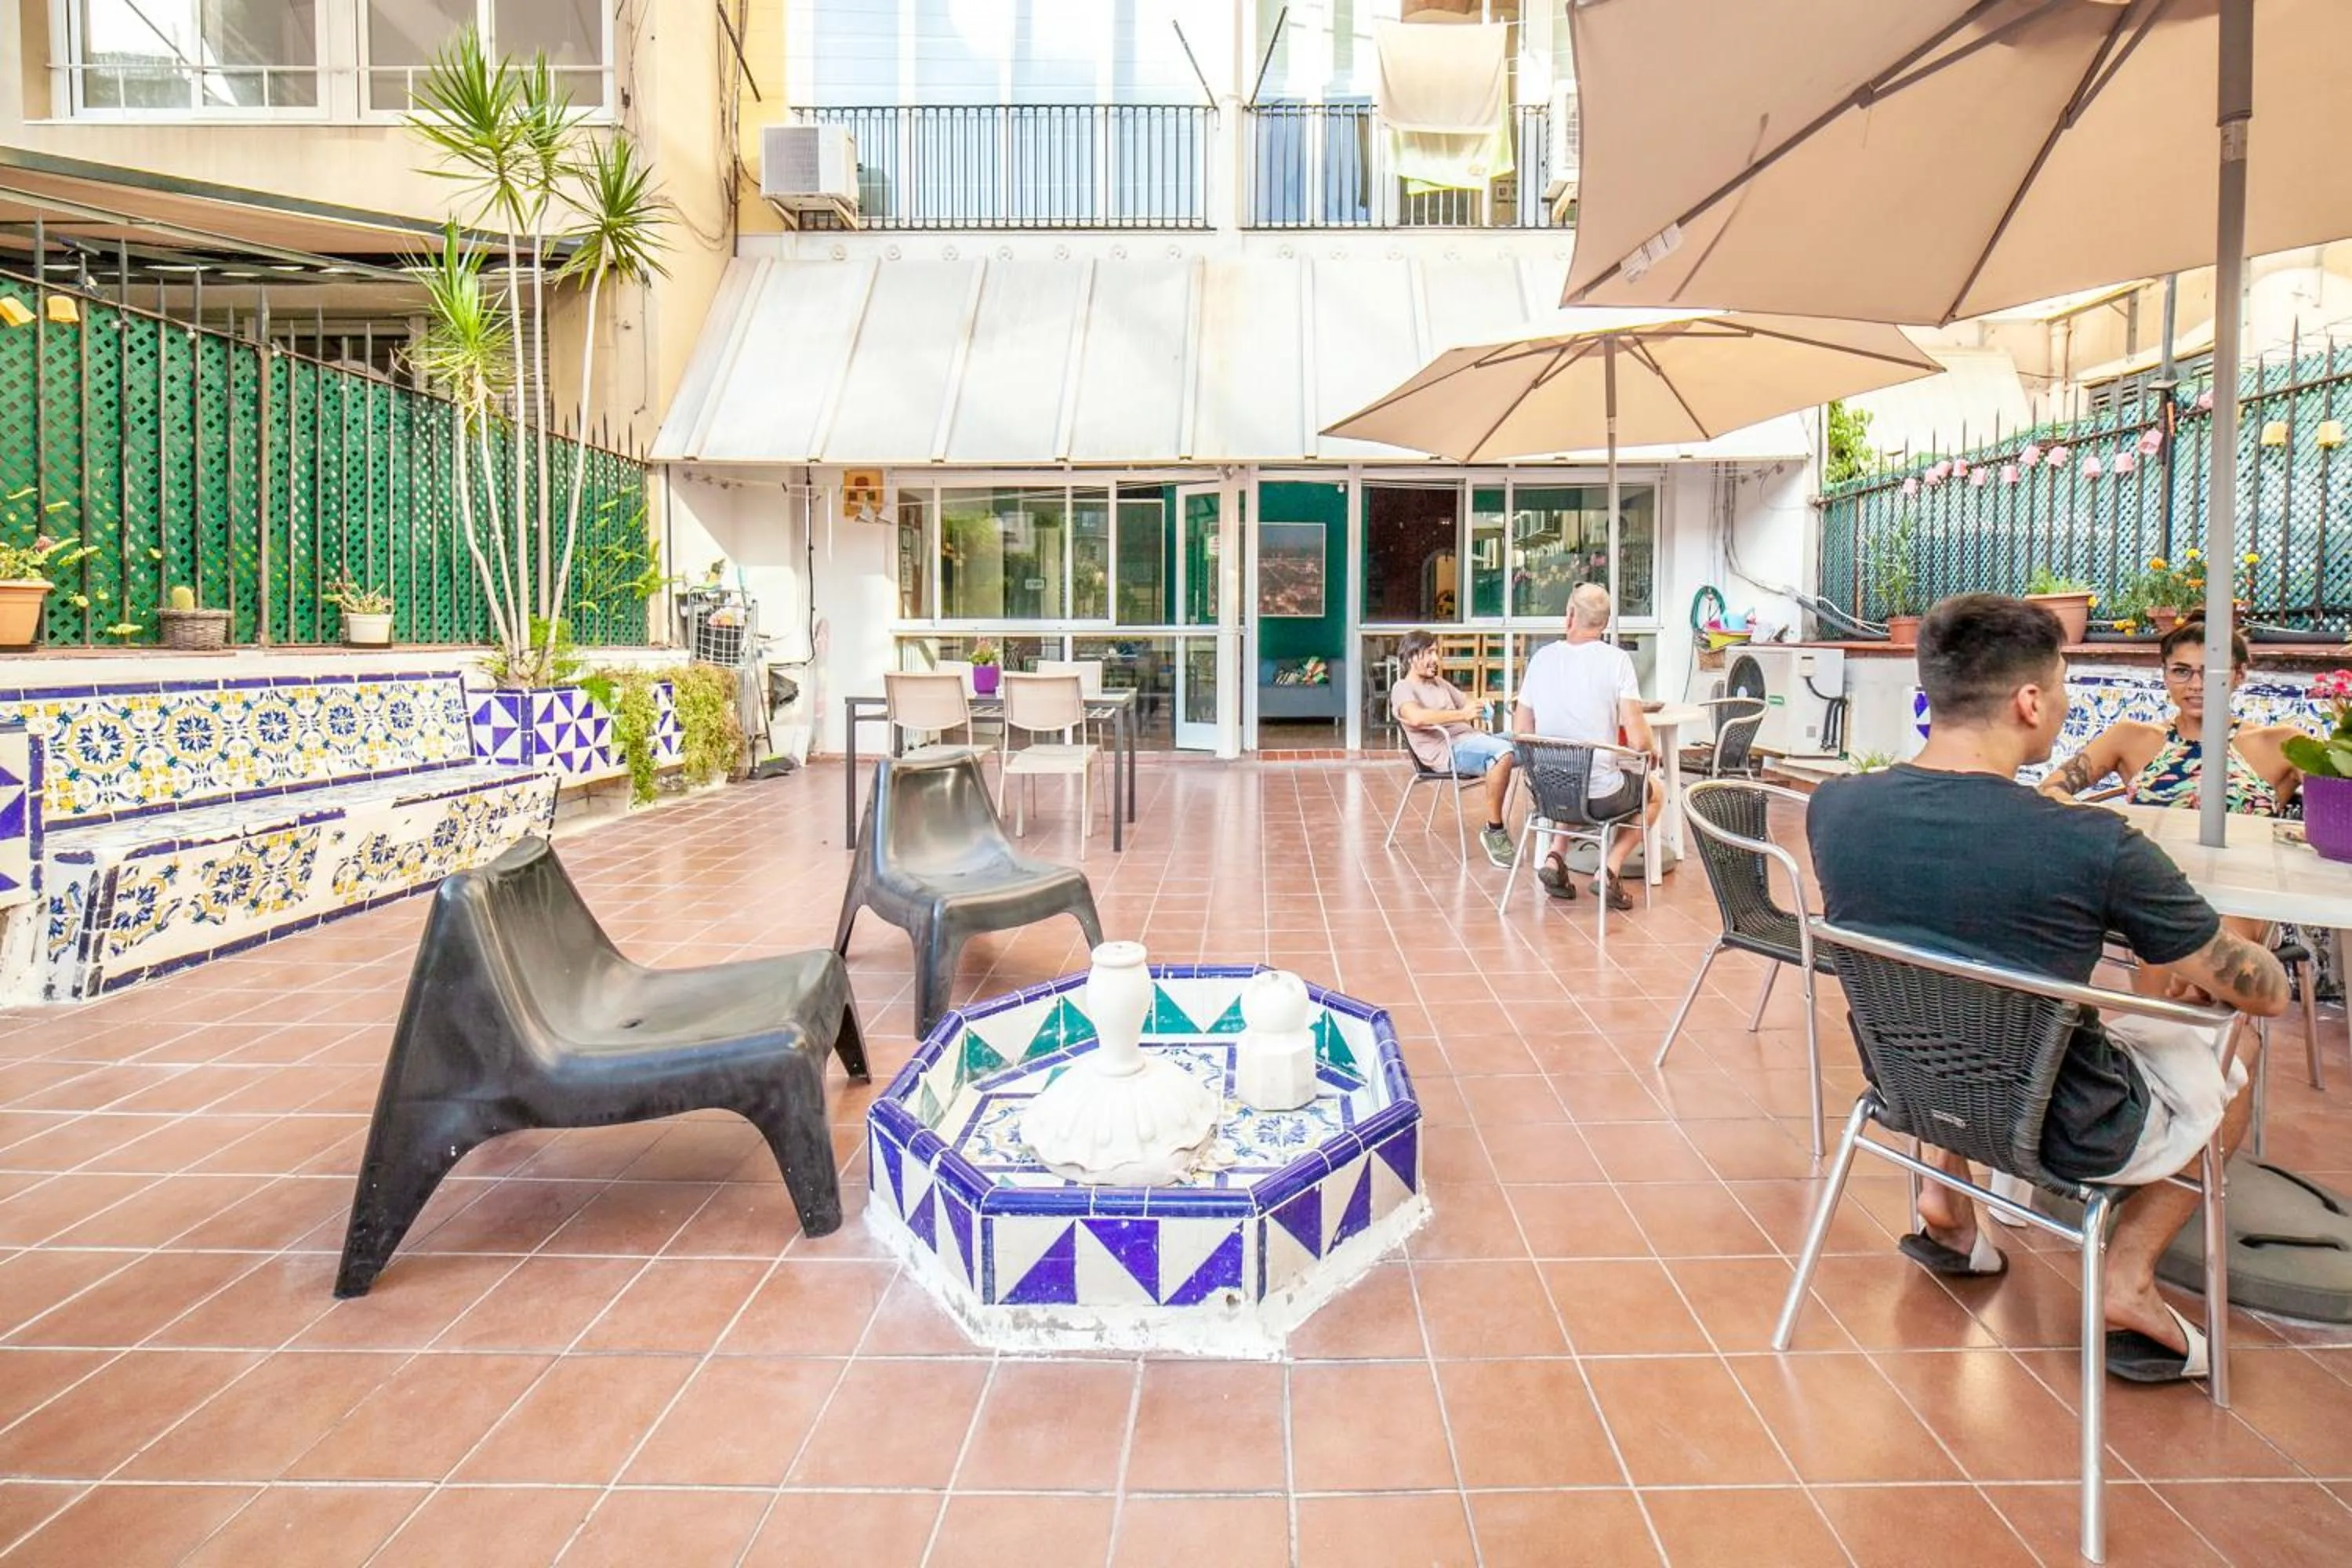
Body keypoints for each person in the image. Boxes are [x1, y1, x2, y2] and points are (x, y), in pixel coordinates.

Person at [1809, 593, 2288, 1385]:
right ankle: (2130, 1277)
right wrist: (2221, 979)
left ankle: (1947, 1203)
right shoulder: (2091, 844)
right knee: (2234, 1054)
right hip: (2067, 1127)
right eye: (2062, 686)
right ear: (2030, 700)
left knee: (1946, 987)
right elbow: (2264, 990)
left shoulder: (1837, 808)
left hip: (1906, 1087)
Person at [2037, 612, 2301, 816]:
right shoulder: (2131, 738)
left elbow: (2340, 810)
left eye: (2212, 672)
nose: (2196, 685)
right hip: (2149, 878)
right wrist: (2102, 825)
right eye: (2181, 671)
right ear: (2164, 674)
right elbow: (2050, 790)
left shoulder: (2283, 744)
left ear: (2240, 674)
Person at [1511, 583, 1663, 911]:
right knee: (1655, 793)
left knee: (1576, 778)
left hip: (1547, 792)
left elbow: (1521, 730)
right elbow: (1638, 741)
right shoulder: (1617, 661)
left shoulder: (1541, 659)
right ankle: (1609, 869)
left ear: (1569, 616)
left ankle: (1555, 857)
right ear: (1605, 624)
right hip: (1600, 797)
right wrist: (1649, 748)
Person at [1390, 629, 1517, 866]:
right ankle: (1494, 830)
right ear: (1410, 657)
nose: (1436, 660)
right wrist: (1461, 714)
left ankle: (1551, 820)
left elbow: (1467, 703)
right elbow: (1416, 717)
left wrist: (1480, 704)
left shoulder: (1439, 683)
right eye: (1429, 653)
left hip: (1473, 741)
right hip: (1447, 752)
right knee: (1503, 752)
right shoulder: (1402, 688)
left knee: (1528, 743)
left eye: (1437, 653)